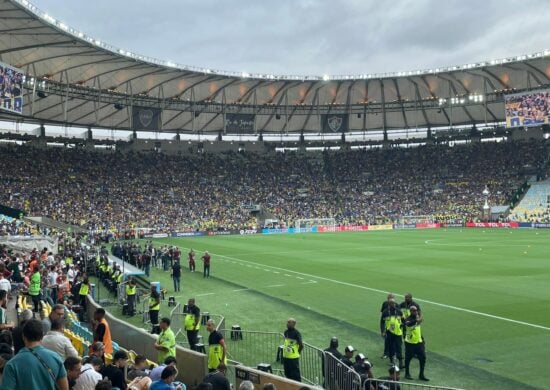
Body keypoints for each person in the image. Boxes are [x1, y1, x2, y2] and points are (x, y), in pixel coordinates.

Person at [1, 319, 69, 390]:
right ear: (42, 336)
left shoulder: (12, 364)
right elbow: (64, 388)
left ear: (23, 337)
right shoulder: (56, 358)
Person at [403, 306, 429, 381]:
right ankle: (407, 373)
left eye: (416, 310)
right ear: (411, 311)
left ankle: (421, 374)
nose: (416, 312)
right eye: (414, 311)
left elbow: (419, 323)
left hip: (419, 342)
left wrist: (422, 340)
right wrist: (417, 320)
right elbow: (409, 324)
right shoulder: (408, 319)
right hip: (410, 343)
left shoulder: (416, 318)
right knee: (408, 358)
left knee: (423, 358)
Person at [381, 298, 403, 368]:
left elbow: (403, 320)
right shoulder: (385, 312)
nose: (392, 305)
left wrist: (402, 327)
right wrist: (383, 331)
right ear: (388, 304)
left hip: (398, 333)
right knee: (391, 347)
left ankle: (401, 362)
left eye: (393, 303)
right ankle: (391, 361)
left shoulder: (399, 311)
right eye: (391, 303)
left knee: (399, 347)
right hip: (389, 332)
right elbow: (382, 322)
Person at [282, 317, 303, 382]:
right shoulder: (286, 332)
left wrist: (298, 353)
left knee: (295, 375)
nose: (287, 324)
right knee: (287, 374)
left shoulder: (297, 333)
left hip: (293, 358)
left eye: (289, 322)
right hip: (286, 357)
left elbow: (301, 345)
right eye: (287, 322)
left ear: (293, 324)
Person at [379, 293, 395, 359]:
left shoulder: (396, 305)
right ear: (387, 299)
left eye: (392, 298)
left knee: (393, 340)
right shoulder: (385, 304)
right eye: (389, 298)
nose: (390, 300)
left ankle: (393, 354)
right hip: (386, 324)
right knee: (387, 339)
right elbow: (382, 313)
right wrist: (382, 330)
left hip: (393, 325)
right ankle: (386, 353)